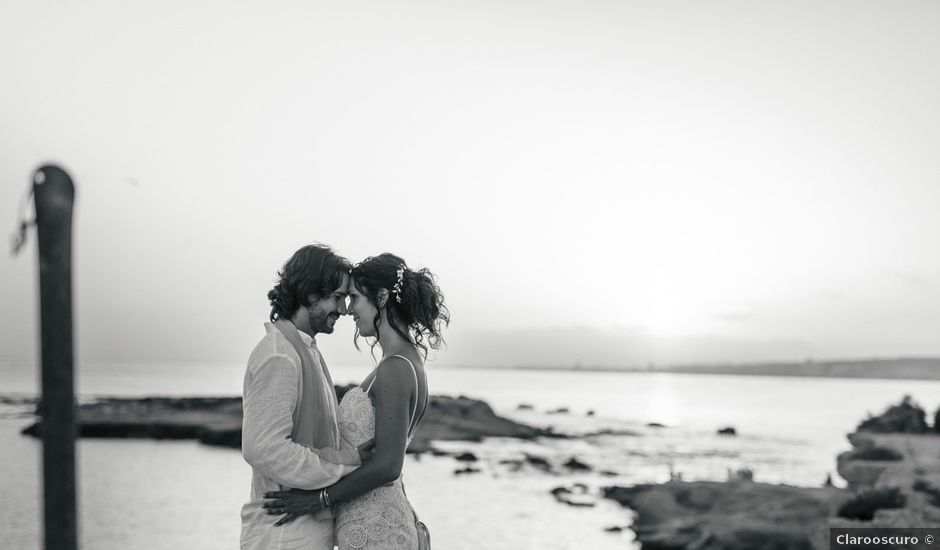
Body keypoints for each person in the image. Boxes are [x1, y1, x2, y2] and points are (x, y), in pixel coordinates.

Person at [263, 253, 449, 550]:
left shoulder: (395, 367)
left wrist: (317, 499)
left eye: (354, 297)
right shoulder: (404, 362)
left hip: (377, 528)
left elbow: (389, 465)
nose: (349, 310)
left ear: (383, 297)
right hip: (371, 522)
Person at [240, 244, 370, 550]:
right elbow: (264, 448)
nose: (343, 309)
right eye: (337, 297)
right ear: (311, 293)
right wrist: (347, 463)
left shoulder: (304, 351)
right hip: (283, 534)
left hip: (302, 532)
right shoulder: (280, 357)